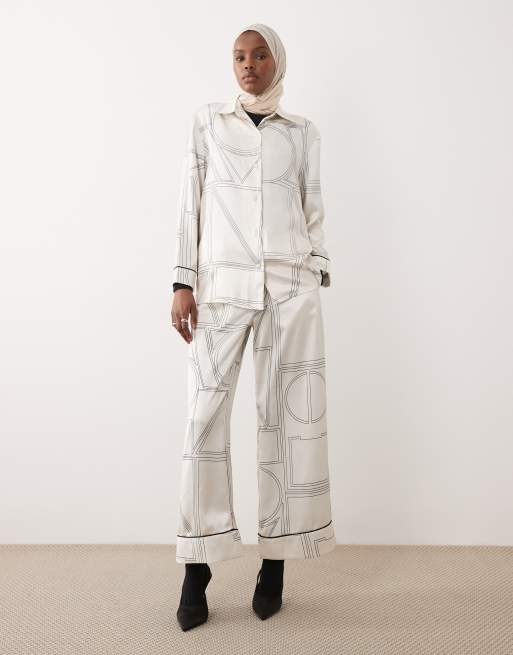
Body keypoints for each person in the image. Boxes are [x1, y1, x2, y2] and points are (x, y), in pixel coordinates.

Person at [171, 23, 335, 631]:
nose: (248, 65)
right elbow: (190, 200)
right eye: (239, 56)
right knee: (203, 421)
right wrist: (182, 281)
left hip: (290, 290)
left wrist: (316, 269)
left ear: (276, 62)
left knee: (285, 424)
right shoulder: (209, 124)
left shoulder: (302, 132)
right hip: (220, 291)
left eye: (259, 55)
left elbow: (312, 206)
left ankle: (275, 565)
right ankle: (197, 568)